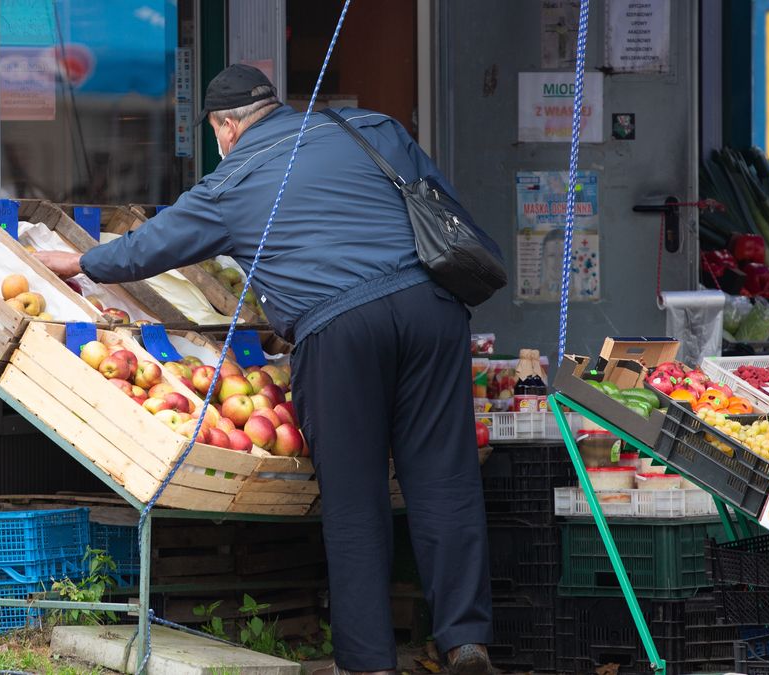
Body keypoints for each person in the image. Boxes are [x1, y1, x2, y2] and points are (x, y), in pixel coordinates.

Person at [36, 64, 494, 675]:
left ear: (225, 127)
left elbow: (151, 246)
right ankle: (465, 642)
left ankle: (369, 662)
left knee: (355, 499)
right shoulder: (370, 127)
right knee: (445, 481)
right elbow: (443, 204)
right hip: (431, 310)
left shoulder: (234, 180)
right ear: (273, 106)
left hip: (341, 328)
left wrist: (82, 261)